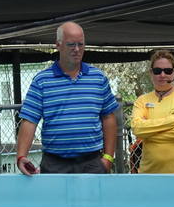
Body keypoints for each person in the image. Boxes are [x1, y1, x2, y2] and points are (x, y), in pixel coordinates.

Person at [15, 21, 119, 176]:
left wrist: (108, 158)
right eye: (71, 45)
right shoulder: (42, 80)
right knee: (55, 201)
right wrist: (21, 156)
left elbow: (108, 118)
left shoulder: (98, 78)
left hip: (92, 163)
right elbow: (29, 120)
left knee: (93, 201)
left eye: (81, 44)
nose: (77, 49)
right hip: (54, 164)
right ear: (58, 45)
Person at [129, 50, 174, 174]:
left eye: (167, 71)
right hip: (150, 173)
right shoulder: (142, 100)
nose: (162, 75)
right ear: (151, 73)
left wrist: (150, 135)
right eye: (157, 71)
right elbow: (137, 128)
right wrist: (172, 120)